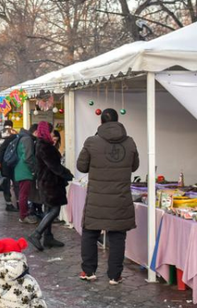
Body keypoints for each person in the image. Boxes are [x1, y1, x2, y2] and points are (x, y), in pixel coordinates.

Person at [76, 108, 139, 284]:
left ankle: (88, 271)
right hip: (120, 198)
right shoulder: (130, 142)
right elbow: (134, 166)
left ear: (101, 122)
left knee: (90, 233)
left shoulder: (92, 141)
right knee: (117, 236)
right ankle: (115, 275)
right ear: (118, 121)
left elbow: (81, 167)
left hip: (97, 198)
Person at [28, 122, 73, 251]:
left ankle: (48, 237)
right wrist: (66, 174)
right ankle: (36, 234)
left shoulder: (42, 144)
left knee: (49, 209)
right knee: (54, 209)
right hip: (50, 182)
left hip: (46, 181)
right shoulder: (45, 146)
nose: (53, 134)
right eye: (52, 131)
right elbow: (53, 165)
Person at [13, 124, 38, 223]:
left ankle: (24, 214)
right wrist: (33, 169)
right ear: (35, 132)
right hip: (24, 170)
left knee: (23, 193)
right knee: (24, 194)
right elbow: (28, 157)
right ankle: (23, 216)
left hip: (20, 169)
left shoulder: (22, 137)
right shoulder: (28, 139)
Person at [0, 122, 19, 212]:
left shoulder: (1, 133)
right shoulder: (14, 136)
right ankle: (15, 204)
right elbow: (2, 149)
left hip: (5, 163)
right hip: (9, 163)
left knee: (7, 184)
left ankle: (10, 204)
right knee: (14, 184)